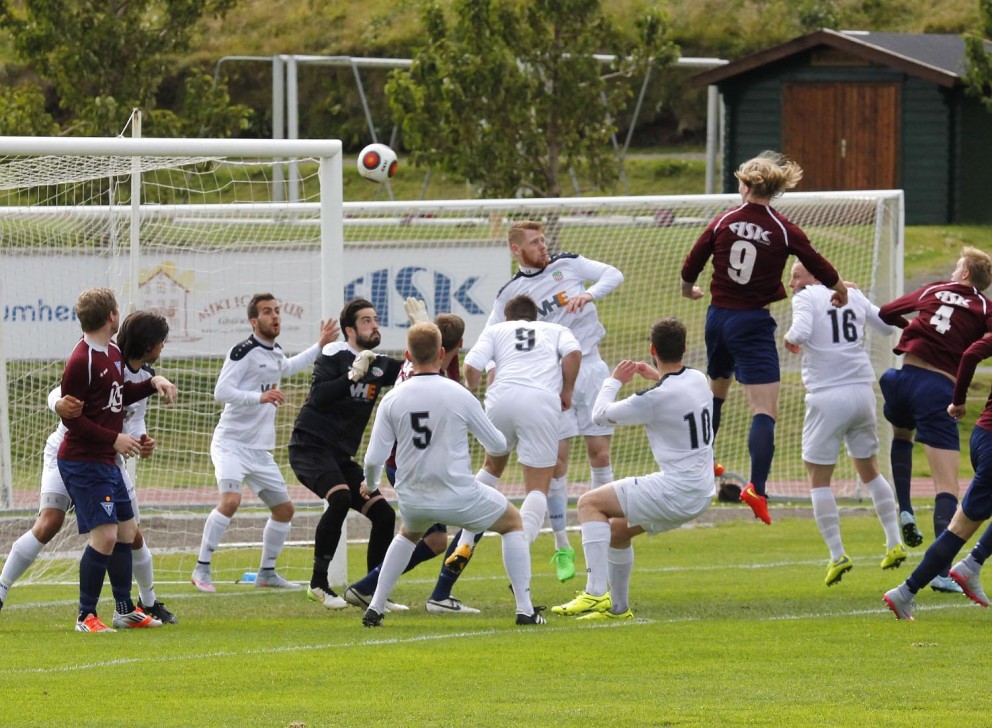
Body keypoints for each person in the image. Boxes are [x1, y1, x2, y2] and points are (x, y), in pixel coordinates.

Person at [680, 150, 848, 525]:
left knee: (716, 390)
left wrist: (687, 286)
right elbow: (816, 262)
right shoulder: (783, 227)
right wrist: (840, 288)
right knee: (764, 409)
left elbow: (695, 256)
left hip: (717, 317)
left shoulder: (724, 220)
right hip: (752, 322)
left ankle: (702, 462)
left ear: (746, 185)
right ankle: (756, 486)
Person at [359, 322, 546, 627]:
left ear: (407, 354)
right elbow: (498, 444)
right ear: (443, 352)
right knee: (513, 523)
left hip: (414, 498)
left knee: (407, 533)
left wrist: (369, 485)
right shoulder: (457, 394)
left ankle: (375, 607)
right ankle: (525, 609)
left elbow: (374, 458)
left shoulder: (393, 398)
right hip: (459, 496)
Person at [0, 311, 179, 624]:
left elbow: (133, 420)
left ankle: (142, 604)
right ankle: (4, 588)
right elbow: (60, 391)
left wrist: (142, 440)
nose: (165, 345)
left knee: (130, 533)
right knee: (49, 523)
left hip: (109, 457)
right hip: (72, 451)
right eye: (163, 340)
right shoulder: (103, 357)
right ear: (150, 342)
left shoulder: (144, 374)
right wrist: (57, 404)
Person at [474, 219, 623, 583]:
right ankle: (561, 544)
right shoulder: (509, 295)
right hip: (552, 379)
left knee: (600, 453)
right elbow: (490, 337)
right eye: (534, 242)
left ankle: (611, 528)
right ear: (516, 250)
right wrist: (494, 369)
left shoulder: (567, 265)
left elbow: (613, 274)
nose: (543, 246)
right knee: (556, 463)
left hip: (591, 367)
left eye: (543, 240)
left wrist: (590, 294)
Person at [551, 317, 714, 620]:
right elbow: (674, 389)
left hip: (677, 489)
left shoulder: (652, 399)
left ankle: (596, 594)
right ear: (685, 349)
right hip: (701, 490)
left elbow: (599, 415)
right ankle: (618, 609)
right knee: (617, 530)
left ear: (652, 349)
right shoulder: (698, 378)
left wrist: (613, 381)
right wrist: (657, 376)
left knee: (589, 504)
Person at [191, 293, 338, 593]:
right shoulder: (243, 351)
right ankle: (201, 568)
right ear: (254, 321)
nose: (275, 316)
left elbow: (288, 367)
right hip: (231, 443)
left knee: (284, 510)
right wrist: (259, 397)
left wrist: (320, 346)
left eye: (277, 311)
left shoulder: (275, 352)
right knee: (231, 501)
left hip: (259, 451)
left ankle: (267, 573)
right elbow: (222, 391)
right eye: (268, 312)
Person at [342, 308, 481, 614]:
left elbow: (424, 344)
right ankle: (432, 595)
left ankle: (368, 590)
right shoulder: (440, 377)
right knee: (478, 518)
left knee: (433, 540)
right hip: (419, 464)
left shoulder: (418, 363)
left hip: (406, 462)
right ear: (455, 347)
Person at [57, 288, 177, 632]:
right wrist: (114, 438)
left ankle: (125, 609)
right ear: (111, 316)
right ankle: (85, 615)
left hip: (106, 461)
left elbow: (119, 395)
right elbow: (72, 420)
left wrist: (152, 383)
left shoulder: (111, 351)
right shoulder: (82, 360)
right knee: (106, 536)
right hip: (83, 460)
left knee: (126, 532)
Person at [782, 263, 906, 586]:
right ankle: (894, 543)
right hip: (862, 393)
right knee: (870, 471)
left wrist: (789, 338)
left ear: (813, 277)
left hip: (827, 395)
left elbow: (800, 332)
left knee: (818, 478)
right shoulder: (852, 293)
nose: (792, 282)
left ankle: (837, 555)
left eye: (797, 275)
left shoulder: (807, 297)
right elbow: (885, 325)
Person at [876, 246, 992, 593]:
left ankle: (906, 508)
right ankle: (941, 572)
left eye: (958, 265)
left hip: (899, 380)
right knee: (947, 486)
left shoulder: (933, 289)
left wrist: (910, 326)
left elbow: (885, 312)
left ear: (965, 273)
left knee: (901, 436)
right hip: (936, 387)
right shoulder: (985, 307)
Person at [288, 298, 402, 609]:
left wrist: (425, 327)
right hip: (309, 446)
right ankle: (319, 584)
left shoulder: (379, 363)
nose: (374, 324)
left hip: (339, 457)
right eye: (367, 320)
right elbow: (320, 396)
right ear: (350, 329)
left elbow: (423, 365)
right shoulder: (334, 353)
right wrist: (352, 375)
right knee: (338, 498)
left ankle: (373, 591)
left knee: (383, 514)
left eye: (376, 319)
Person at [447, 294, 580, 554]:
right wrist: (567, 391)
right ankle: (522, 548)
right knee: (537, 486)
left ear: (507, 317)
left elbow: (472, 366)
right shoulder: (555, 329)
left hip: (501, 399)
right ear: (535, 318)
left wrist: (471, 386)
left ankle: (465, 540)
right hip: (540, 401)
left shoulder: (497, 330)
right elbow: (573, 353)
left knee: (491, 467)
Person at [883, 331, 992, 619]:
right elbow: (968, 355)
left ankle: (971, 565)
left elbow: (970, 354)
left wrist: (958, 400)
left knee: (961, 526)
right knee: (959, 529)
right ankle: (907, 591)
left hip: (982, 435)